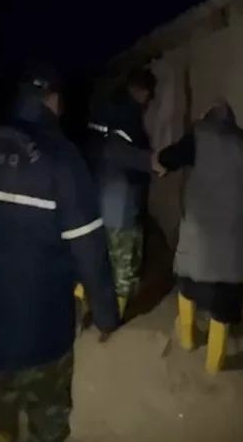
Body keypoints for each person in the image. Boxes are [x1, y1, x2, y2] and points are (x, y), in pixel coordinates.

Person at [0, 64, 119, 442]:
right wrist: (106, 316)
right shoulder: (64, 161)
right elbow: (90, 253)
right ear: (54, 99)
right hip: (44, 335)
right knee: (47, 427)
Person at [153, 101, 243, 373]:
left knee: (188, 283)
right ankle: (214, 364)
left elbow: (169, 158)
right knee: (226, 302)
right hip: (237, 236)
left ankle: (187, 341)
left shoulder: (199, 135)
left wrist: (158, 162)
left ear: (207, 118)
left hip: (201, 232)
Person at [81, 68, 157, 318]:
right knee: (124, 269)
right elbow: (133, 156)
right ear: (142, 92)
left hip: (96, 200)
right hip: (121, 204)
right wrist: (155, 162)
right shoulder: (128, 118)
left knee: (98, 260)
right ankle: (112, 317)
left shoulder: (103, 112)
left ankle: (83, 306)